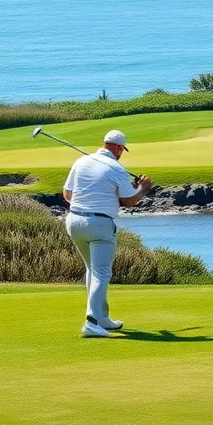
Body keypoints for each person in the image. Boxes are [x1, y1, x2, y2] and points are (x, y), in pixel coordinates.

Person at [63, 129, 153, 338]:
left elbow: (68, 195)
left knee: (92, 269)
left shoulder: (80, 162)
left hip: (74, 221)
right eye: (122, 150)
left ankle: (102, 317)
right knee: (102, 272)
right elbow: (129, 201)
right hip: (100, 224)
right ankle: (91, 320)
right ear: (119, 148)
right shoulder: (117, 169)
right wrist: (143, 188)